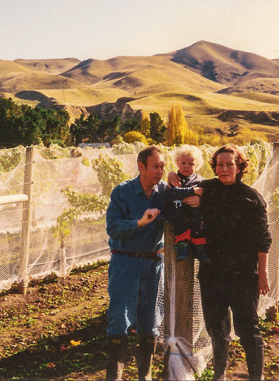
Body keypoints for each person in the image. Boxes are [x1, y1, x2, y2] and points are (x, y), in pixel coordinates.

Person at [197, 145, 271, 381]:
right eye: (220, 164)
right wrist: (172, 177)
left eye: (230, 164)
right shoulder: (206, 189)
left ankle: (255, 378)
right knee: (218, 331)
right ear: (214, 167)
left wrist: (262, 274)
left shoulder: (251, 197)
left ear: (240, 167)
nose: (224, 168)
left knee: (248, 330)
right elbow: (177, 194)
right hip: (212, 276)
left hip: (243, 277)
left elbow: (263, 239)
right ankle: (220, 376)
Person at [105, 145, 166, 381]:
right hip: (125, 262)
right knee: (120, 319)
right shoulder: (122, 192)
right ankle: (115, 376)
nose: (160, 171)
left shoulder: (164, 193)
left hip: (153, 266)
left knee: (150, 321)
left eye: (162, 167)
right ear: (141, 167)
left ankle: (145, 376)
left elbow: (180, 205)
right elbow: (112, 227)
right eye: (155, 167)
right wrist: (139, 223)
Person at [164, 145, 209, 262]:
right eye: (183, 163)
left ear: (197, 165)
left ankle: (200, 249)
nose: (186, 166)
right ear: (177, 163)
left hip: (194, 213)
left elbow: (205, 194)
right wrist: (192, 190)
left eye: (191, 164)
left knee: (199, 227)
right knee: (180, 226)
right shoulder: (175, 178)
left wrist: (200, 200)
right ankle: (182, 248)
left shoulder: (200, 180)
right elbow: (173, 192)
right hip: (178, 211)